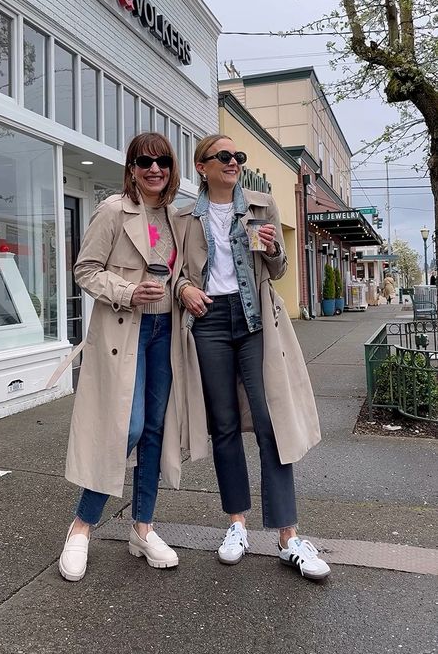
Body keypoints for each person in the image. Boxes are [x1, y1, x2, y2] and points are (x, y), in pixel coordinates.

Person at [176, 134, 330, 581]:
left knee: (270, 423)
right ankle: (236, 524)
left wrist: (276, 248)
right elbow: (175, 274)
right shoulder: (184, 217)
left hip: (253, 318)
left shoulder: (262, 205)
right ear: (202, 166)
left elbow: (279, 271)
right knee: (223, 424)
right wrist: (184, 289)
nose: (234, 162)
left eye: (238, 156)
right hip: (208, 321)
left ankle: (288, 537)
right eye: (224, 156)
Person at [59, 132, 184, 581]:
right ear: (131, 168)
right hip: (123, 330)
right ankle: (82, 525)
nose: (154, 169)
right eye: (144, 161)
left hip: (164, 331)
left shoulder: (175, 216)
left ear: (171, 169)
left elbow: (182, 273)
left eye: (162, 162)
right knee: (124, 426)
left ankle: (142, 527)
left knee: (153, 429)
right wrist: (129, 291)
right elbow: (84, 270)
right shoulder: (114, 209)